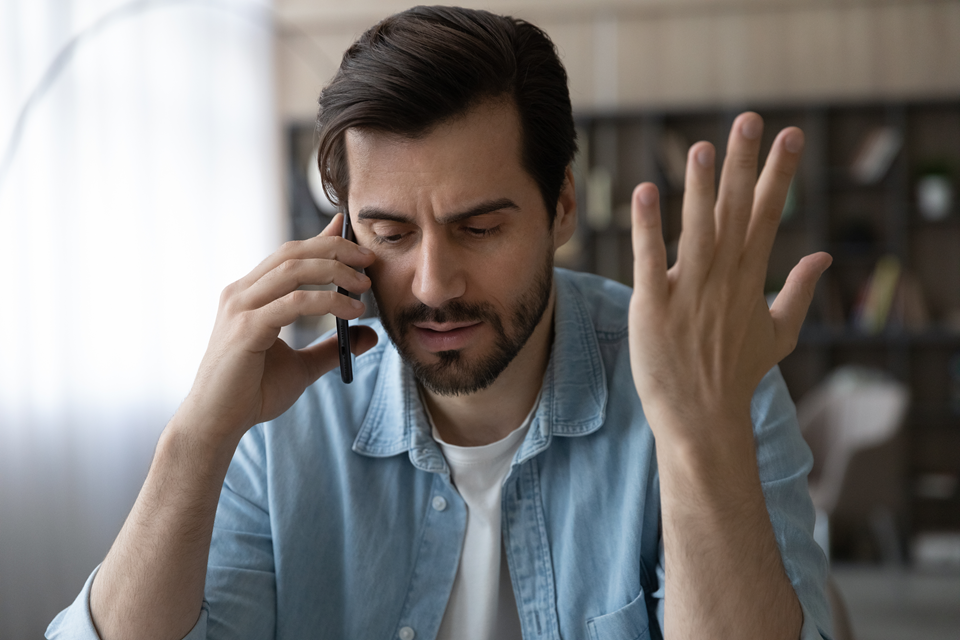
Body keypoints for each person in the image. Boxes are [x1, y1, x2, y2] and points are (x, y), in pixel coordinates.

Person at [48, 6, 833, 640]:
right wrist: (195, 441)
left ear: (562, 204)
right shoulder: (281, 421)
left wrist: (700, 442)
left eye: (480, 228)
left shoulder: (710, 385)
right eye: (389, 234)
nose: (432, 284)